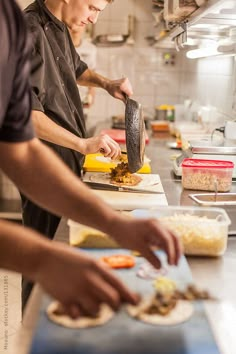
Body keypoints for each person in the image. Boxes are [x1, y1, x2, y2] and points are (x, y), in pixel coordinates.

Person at [0, 0, 182, 318]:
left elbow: (23, 150)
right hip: (53, 153)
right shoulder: (26, 29)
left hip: (55, 164)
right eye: (92, 7)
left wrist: (112, 222)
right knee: (43, 267)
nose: (94, 18)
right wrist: (42, 259)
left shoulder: (19, 25)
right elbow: (30, 119)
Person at [70, 25, 97, 109]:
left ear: (86, 27)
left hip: (80, 99)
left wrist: (91, 95)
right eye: (73, 25)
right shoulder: (60, 47)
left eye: (80, 25)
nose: (76, 28)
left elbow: (92, 74)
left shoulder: (91, 49)